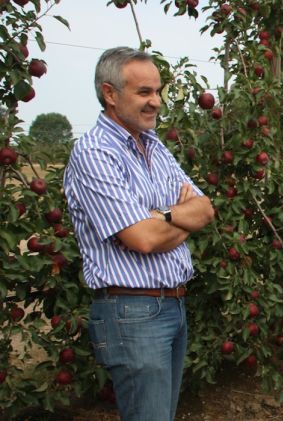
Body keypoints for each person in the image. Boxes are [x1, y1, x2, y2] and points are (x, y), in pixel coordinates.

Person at [64, 47, 214, 421]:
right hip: (132, 311)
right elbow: (142, 239)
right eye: (144, 92)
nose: (156, 102)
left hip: (172, 306)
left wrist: (162, 216)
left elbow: (205, 209)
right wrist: (181, 220)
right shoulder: (95, 154)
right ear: (110, 93)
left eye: (157, 91)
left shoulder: (155, 146)